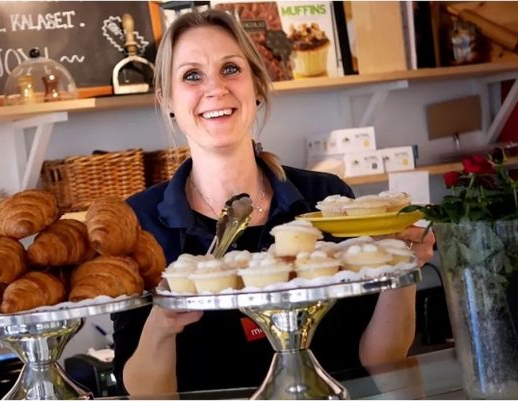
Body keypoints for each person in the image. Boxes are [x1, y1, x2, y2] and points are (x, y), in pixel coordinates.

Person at [111, 9, 436, 396]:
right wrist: (162, 323)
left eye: (231, 69)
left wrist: (402, 271)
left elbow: (381, 358)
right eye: (192, 76)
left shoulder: (326, 201)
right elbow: (145, 393)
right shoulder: (138, 224)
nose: (215, 89)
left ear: (258, 85)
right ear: (167, 100)